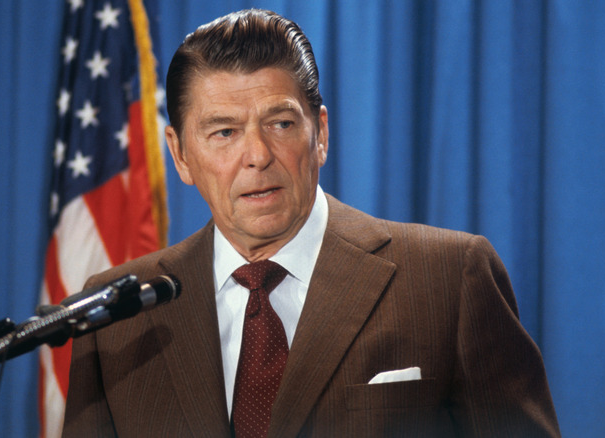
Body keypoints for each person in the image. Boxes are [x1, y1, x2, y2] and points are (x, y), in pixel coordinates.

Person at [62, 9, 560, 437]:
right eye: (224, 132)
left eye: (280, 124)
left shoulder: (449, 280)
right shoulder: (116, 317)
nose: (256, 155)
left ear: (319, 133)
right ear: (181, 155)